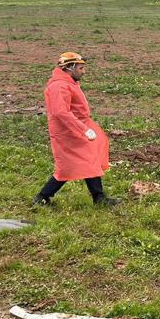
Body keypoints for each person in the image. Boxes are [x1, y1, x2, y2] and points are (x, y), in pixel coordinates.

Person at [33, 52, 120, 206]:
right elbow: (61, 112)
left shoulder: (68, 83)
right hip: (68, 132)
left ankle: (99, 197)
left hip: (75, 129)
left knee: (90, 160)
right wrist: (83, 129)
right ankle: (42, 197)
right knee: (67, 167)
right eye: (80, 68)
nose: (83, 71)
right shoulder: (59, 86)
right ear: (69, 68)